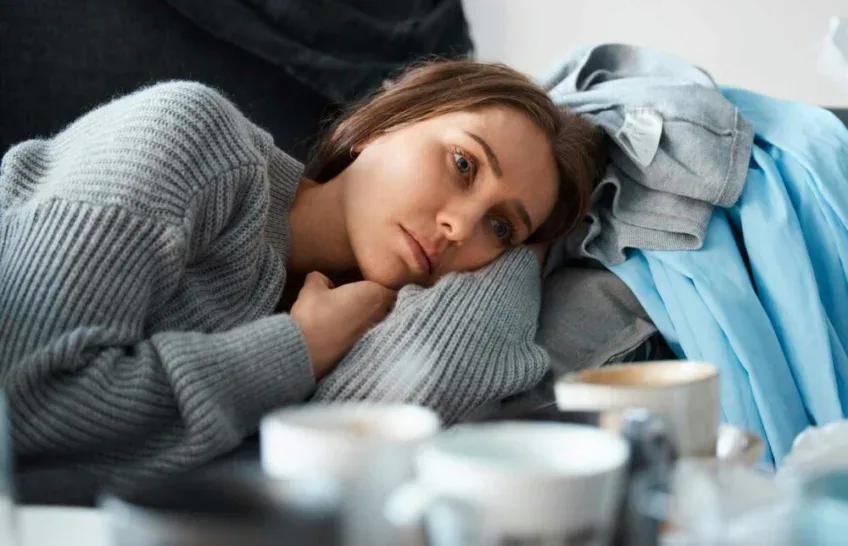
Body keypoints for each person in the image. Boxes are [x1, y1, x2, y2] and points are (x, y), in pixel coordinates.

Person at [0, 60, 606, 486]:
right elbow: (25, 402)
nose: (461, 227)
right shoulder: (188, 135)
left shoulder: (360, 342)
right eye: (463, 164)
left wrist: (524, 263)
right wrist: (296, 348)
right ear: (384, 124)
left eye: (500, 227)